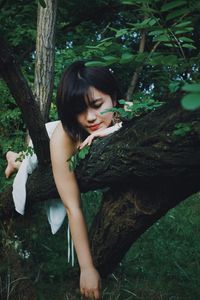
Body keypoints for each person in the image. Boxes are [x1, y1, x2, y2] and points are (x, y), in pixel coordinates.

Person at [5, 61, 122, 299]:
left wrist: (102, 132)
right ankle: (12, 157)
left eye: (98, 105)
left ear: (114, 98)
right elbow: (72, 206)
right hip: (48, 142)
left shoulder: (126, 111)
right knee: (29, 163)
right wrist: (87, 268)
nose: (90, 118)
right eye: (79, 110)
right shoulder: (63, 140)